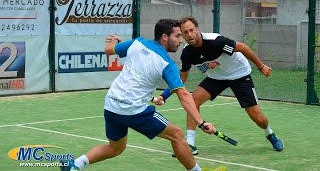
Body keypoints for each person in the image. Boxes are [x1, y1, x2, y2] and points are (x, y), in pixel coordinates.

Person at [59, 19, 217, 171]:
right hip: (133, 110)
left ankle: (75, 164)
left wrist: (114, 40)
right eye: (177, 36)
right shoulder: (167, 64)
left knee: (115, 147)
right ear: (164, 37)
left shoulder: (137, 42)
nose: (180, 40)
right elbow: (183, 95)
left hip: (111, 104)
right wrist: (201, 122)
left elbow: (108, 51)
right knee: (176, 134)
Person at [156, 17, 284, 156]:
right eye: (185, 32)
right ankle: (190, 144)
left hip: (239, 74)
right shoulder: (188, 53)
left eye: (192, 30)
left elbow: (243, 47)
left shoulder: (216, 42)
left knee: (257, 117)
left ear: (197, 29)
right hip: (217, 77)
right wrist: (164, 96)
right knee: (193, 101)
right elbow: (181, 79)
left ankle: (270, 133)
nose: (190, 35)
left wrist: (261, 66)